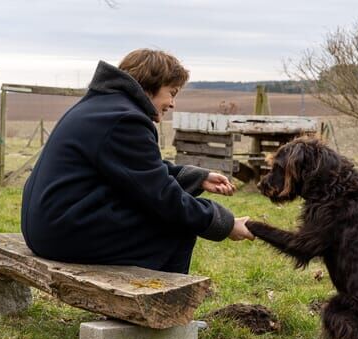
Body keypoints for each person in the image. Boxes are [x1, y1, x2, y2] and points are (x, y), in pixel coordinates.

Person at [21, 49, 254, 274]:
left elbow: (138, 172)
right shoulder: (126, 120)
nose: (172, 103)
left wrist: (198, 178)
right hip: (63, 233)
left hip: (48, 226)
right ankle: (162, 309)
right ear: (150, 85)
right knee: (176, 225)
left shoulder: (104, 107)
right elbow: (163, 197)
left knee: (165, 216)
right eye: (172, 92)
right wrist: (226, 223)